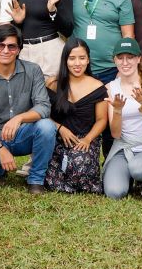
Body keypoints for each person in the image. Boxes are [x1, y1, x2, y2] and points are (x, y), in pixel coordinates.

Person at [0, 24, 57, 193]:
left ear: (18, 49)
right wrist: (0, 148)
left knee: (46, 126)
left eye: (11, 46)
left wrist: (19, 118)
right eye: (0, 45)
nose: (5, 50)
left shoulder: (32, 71)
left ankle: (36, 179)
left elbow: (44, 106)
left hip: (23, 132)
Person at [101, 38, 142, 199]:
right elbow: (116, 134)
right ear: (114, 60)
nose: (125, 62)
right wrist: (117, 110)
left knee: (139, 169)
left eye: (130, 57)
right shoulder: (110, 87)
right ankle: (127, 177)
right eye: (120, 57)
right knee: (114, 192)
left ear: (138, 59)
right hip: (124, 147)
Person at [44, 38, 107, 195]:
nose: (77, 63)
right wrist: (59, 128)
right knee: (51, 173)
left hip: (85, 139)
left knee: (79, 168)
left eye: (82, 58)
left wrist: (87, 139)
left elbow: (102, 120)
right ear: (65, 60)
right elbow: (42, 114)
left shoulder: (98, 86)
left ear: (88, 60)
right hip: (59, 138)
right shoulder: (53, 83)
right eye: (72, 58)